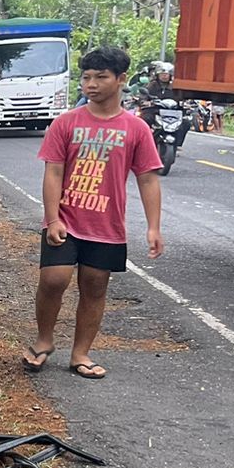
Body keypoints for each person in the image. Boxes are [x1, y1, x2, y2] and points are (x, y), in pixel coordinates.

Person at [24, 47, 164, 380]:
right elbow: (53, 173)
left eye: (101, 77)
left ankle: (81, 353)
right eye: (87, 77)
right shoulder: (66, 123)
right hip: (66, 220)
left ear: (121, 80)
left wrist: (153, 227)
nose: (92, 84)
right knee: (53, 279)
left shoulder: (136, 129)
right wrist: (52, 218)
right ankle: (44, 341)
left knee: (95, 286)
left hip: (107, 225)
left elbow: (147, 178)